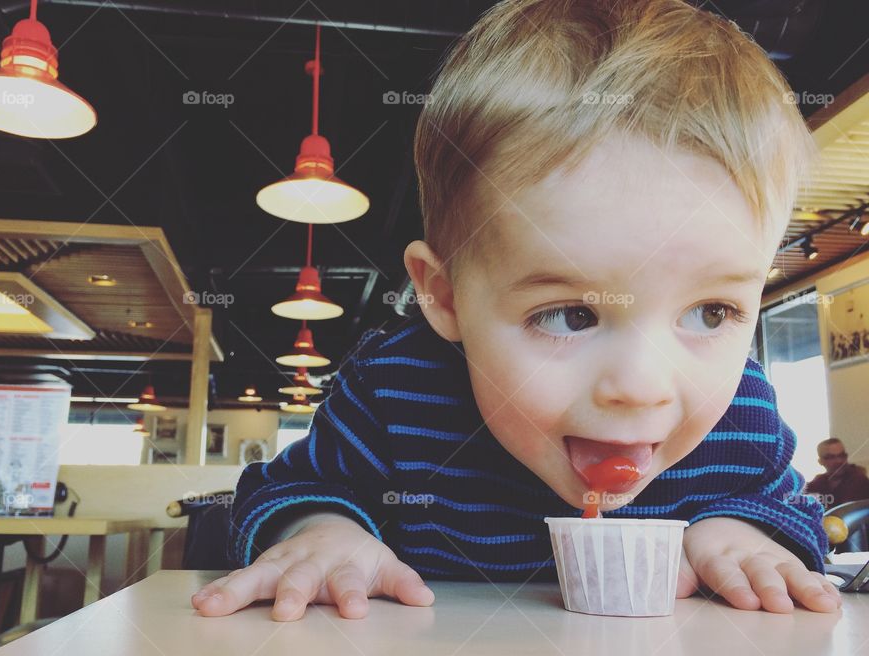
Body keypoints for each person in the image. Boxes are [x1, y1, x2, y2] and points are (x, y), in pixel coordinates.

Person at [193, 0, 840, 620]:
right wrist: (323, 534)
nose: (641, 388)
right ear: (443, 297)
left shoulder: (742, 411)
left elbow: (789, 515)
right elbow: (292, 490)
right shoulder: (396, 388)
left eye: (711, 314)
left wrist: (742, 534)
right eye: (570, 315)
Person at [806, 438, 869, 509]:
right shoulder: (819, 482)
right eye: (831, 457)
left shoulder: (859, 481)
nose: (839, 461)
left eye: (842, 455)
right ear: (820, 461)